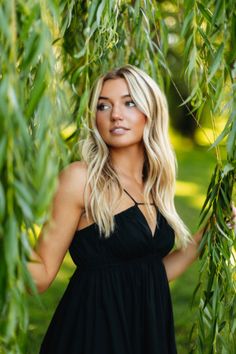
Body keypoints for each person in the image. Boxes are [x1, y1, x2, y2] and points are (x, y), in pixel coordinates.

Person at [28, 65, 236, 354]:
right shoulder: (81, 179)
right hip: (91, 334)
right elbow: (40, 274)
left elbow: (149, 272)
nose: (115, 114)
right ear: (95, 117)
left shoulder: (154, 183)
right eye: (103, 105)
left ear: (150, 112)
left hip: (145, 332)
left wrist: (208, 234)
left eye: (129, 102)